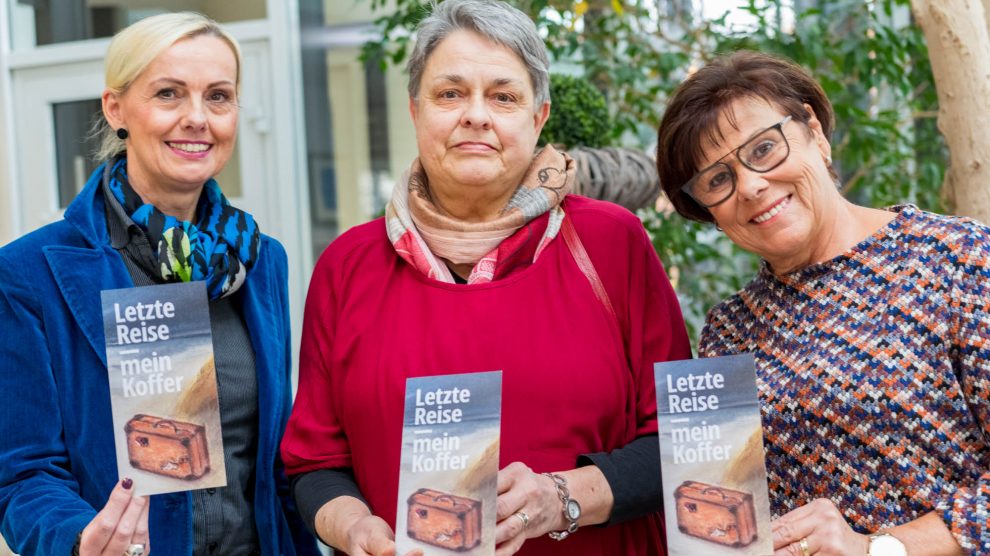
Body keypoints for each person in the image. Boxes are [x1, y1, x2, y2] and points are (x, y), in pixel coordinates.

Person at [280, 1, 692, 555]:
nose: (476, 115)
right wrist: (352, 528)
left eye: (503, 96)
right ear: (415, 110)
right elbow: (315, 462)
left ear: (539, 116)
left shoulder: (610, 244)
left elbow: (682, 440)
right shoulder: (347, 265)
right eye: (450, 94)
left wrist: (562, 496)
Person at [0, 12, 317, 556]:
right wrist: (78, 539)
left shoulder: (260, 262)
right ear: (116, 108)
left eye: (218, 97)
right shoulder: (29, 274)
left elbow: (273, 463)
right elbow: (22, 475)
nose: (197, 118)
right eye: (169, 94)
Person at [655, 49, 987, 555]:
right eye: (718, 181)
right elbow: (718, 526)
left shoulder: (958, 259)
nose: (751, 185)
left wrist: (882, 547)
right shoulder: (728, 331)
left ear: (813, 129)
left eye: (763, 148)